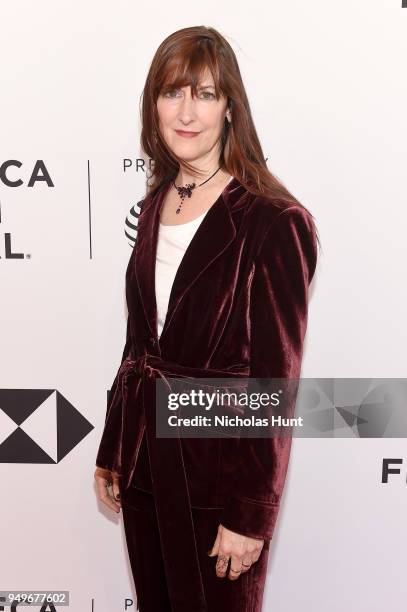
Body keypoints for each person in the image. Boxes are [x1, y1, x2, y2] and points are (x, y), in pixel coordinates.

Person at [93, 25, 319, 612]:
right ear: (153, 106)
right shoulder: (154, 206)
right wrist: (116, 447)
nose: (186, 112)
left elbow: (277, 382)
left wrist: (251, 515)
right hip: (146, 468)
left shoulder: (274, 221)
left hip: (220, 486)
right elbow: (139, 344)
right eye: (172, 93)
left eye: (205, 94)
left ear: (229, 108)